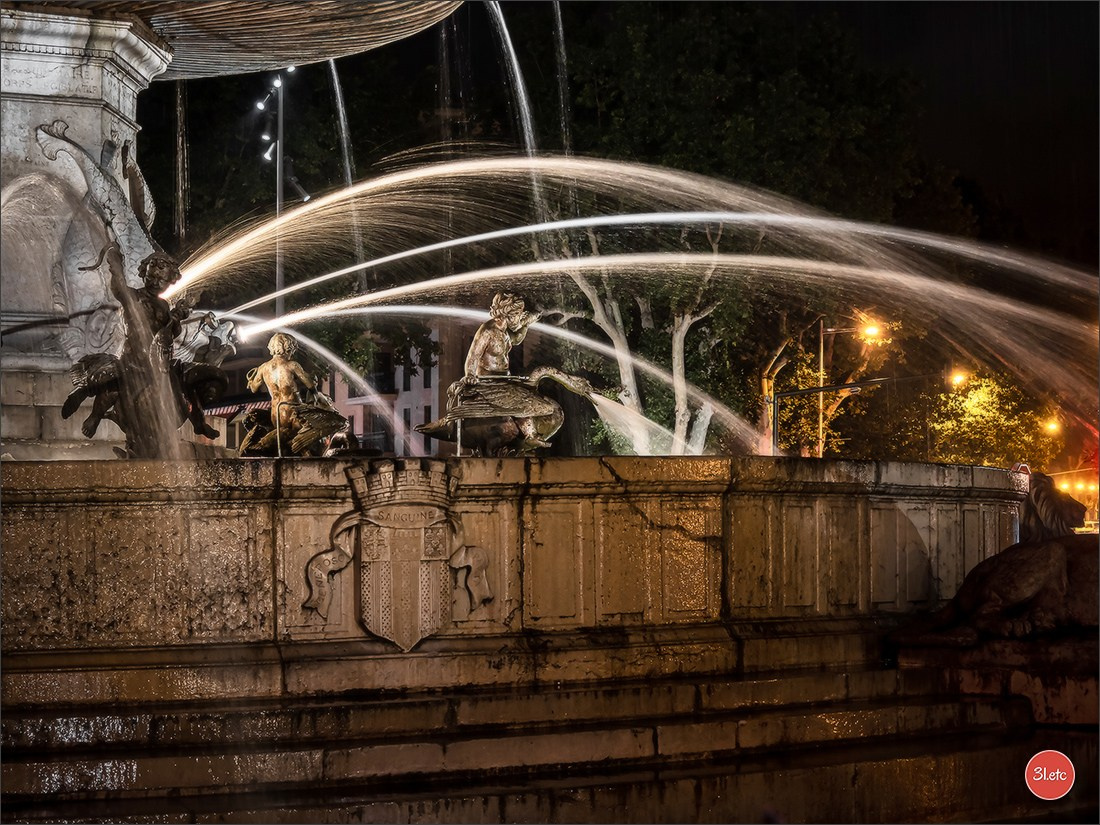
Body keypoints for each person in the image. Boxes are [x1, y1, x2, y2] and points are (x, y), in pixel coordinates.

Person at [246, 332, 316, 445]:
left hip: (276, 413)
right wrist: (313, 382)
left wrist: (250, 382)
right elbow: (310, 385)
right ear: (288, 348)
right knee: (306, 440)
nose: (292, 354)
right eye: (292, 350)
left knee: (283, 443)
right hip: (294, 410)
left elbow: (254, 389)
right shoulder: (292, 365)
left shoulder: (263, 368)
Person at [462, 292, 540, 382]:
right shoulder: (488, 331)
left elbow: (516, 340)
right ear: (509, 314)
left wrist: (526, 324)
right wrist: (470, 375)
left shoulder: (505, 329)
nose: (520, 316)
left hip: (505, 377)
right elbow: (473, 356)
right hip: (488, 380)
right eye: (518, 313)